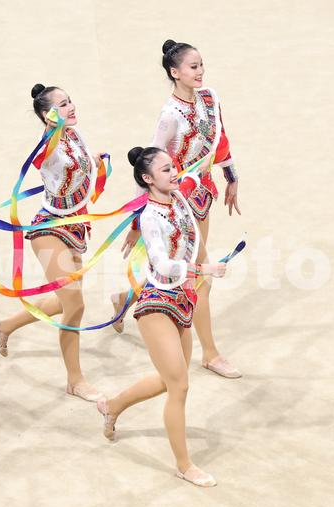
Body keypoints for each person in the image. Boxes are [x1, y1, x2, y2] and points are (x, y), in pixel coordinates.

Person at [112, 39, 242, 378]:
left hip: (203, 196)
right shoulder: (170, 116)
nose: (200, 72)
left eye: (201, 65)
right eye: (193, 67)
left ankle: (125, 298)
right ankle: (210, 354)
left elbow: (219, 139)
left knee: (186, 268)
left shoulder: (209, 98)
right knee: (200, 278)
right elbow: (147, 165)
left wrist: (231, 176)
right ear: (175, 72)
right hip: (178, 201)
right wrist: (139, 220)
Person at [98, 146, 227, 487]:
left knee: (169, 378)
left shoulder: (179, 198)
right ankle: (184, 465)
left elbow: (202, 165)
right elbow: (162, 263)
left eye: (173, 167)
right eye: (166, 170)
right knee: (180, 385)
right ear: (147, 179)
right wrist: (203, 269)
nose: (174, 173)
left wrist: (227, 170)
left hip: (183, 300)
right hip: (157, 302)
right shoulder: (150, 216)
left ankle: (113, 405)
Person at [0, 84, 106, 401]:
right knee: (76, 305)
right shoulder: (47, 143)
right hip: (50, 229)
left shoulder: (74, 134)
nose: (71, 107)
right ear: (47, 114)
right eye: (62, 105)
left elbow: (76, 165)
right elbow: (43, 158)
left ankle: (4, 326)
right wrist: (52, 130)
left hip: (75, 226)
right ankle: (75, 380)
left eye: (70, 101)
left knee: (62, 301)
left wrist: (94, 160)